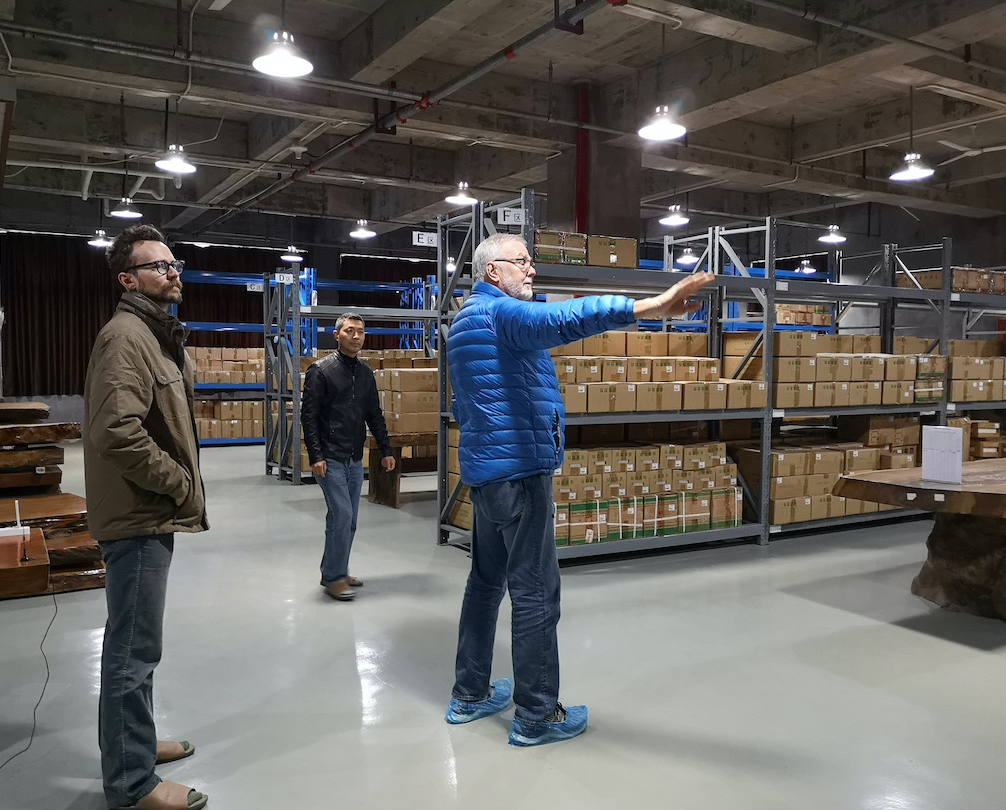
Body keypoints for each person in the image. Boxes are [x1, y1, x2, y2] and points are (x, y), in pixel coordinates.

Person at [445, 232, 714, 746]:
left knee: (484, 587)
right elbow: (562, 319)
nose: (531, 270)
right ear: (492, 271)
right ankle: (536, 717)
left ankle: (470, 693)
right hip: (521, 474)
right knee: (534, 595)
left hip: (483, 473)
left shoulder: (463, 321)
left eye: (531, 261)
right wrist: (650, 305)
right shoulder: (502, 314)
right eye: (521, 262)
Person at [84, 224, 209, 810]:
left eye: (175, 264)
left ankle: (137, 744)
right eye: (158, 266)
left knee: (141, 646)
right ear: (128, 279)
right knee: (132, 650)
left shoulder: (154, 334)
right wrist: (179, 483)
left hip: (149, 513)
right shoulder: (126, 338)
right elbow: (117, 431)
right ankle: (131, 785)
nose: (173, 273)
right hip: (138, 515)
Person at [301, 312, 396, 601]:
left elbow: (374, 415)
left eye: (361, 332)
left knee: (350, 518)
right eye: (350, 331)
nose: (356, 337)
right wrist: (315, 455)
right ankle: (332, 578)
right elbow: (309, 416)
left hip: (355, 457)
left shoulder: (365, 374)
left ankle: (339, 570)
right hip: (329, 457)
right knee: (341, 515)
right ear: (337, 335)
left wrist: (385, 450)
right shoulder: (321, 370)